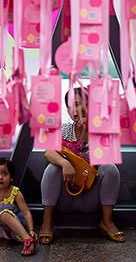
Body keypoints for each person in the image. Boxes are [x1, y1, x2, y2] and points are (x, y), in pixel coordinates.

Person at [38, 87, 124, 244]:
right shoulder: (64, 129)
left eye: (77, 104)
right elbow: (48, 152)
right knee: (52, 168)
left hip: (90, 198)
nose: (74, 110)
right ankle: (47, 221)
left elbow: (108, 156)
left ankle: (107, 221)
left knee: (110, 169)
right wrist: (64, 163)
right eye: (69, 106)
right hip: (65, 196)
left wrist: (88, 131)